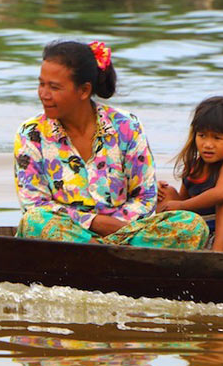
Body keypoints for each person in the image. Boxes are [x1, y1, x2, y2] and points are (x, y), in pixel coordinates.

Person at [14, 40, 208, 248]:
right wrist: (95, 223)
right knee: (34, 222)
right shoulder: (31, 133)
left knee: (193, 225)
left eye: (54, 87)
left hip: (125, 233)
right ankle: (110, 254)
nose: (44, 94)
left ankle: (104, 253)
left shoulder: (126, 126)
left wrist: (117, 231)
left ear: (84, 90)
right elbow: (34, 204)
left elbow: (145, 196)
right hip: (68, 236)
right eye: (41, 84)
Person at [157, 95, 223, 251]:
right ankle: (163, 245)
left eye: (217, 138)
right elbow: (184, 206)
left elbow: (221, 193)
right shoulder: (193, 166)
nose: (208, 144)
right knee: (166, 192)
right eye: (202, 136)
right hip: (203, 232)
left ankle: (217, 253)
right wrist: (164, 194)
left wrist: (181, 204)